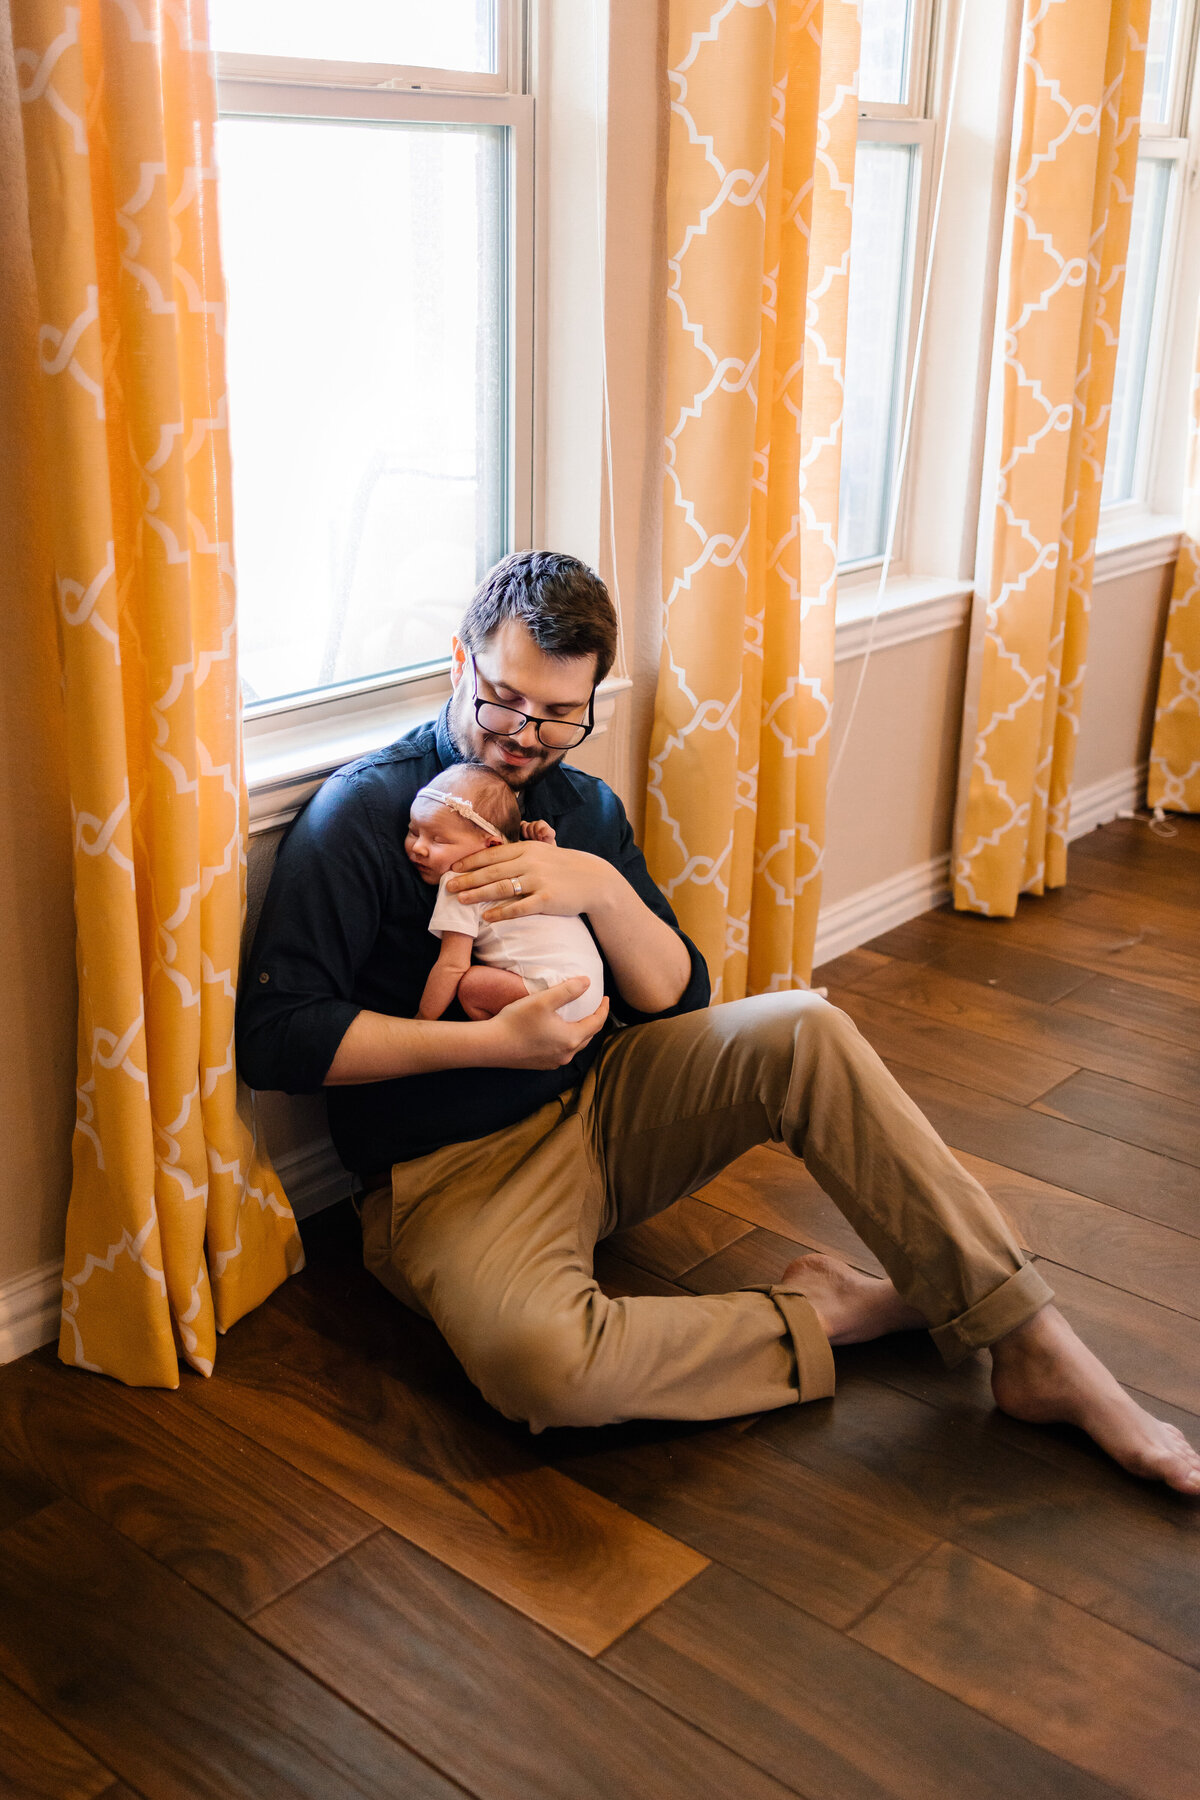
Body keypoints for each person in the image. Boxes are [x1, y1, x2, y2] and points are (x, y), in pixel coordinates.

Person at [237, 550, 1200, 1493]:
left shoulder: (578, 805)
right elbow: (279, 1039)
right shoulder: (364, 815)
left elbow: (679, 1000)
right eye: (502, 699)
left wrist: (601, 886)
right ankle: (832, 1314)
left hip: (604, 1106)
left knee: (805, 1028)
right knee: (545, 1369)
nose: (522, 736)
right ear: (461, 662)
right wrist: (489, 1044)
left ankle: (1037, 1348)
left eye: (559, 715)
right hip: (448, 1175)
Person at [406, 762, 604, 1024]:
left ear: (492, 845)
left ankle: (505, 1035)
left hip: (551, 995)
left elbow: (452, 965)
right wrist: (547, 848)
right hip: (588, 989)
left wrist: (423, 1019)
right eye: (413, 831)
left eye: (438, 840)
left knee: (470, 986)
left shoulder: (460, 881)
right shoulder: (530, 860)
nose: (418, 847)